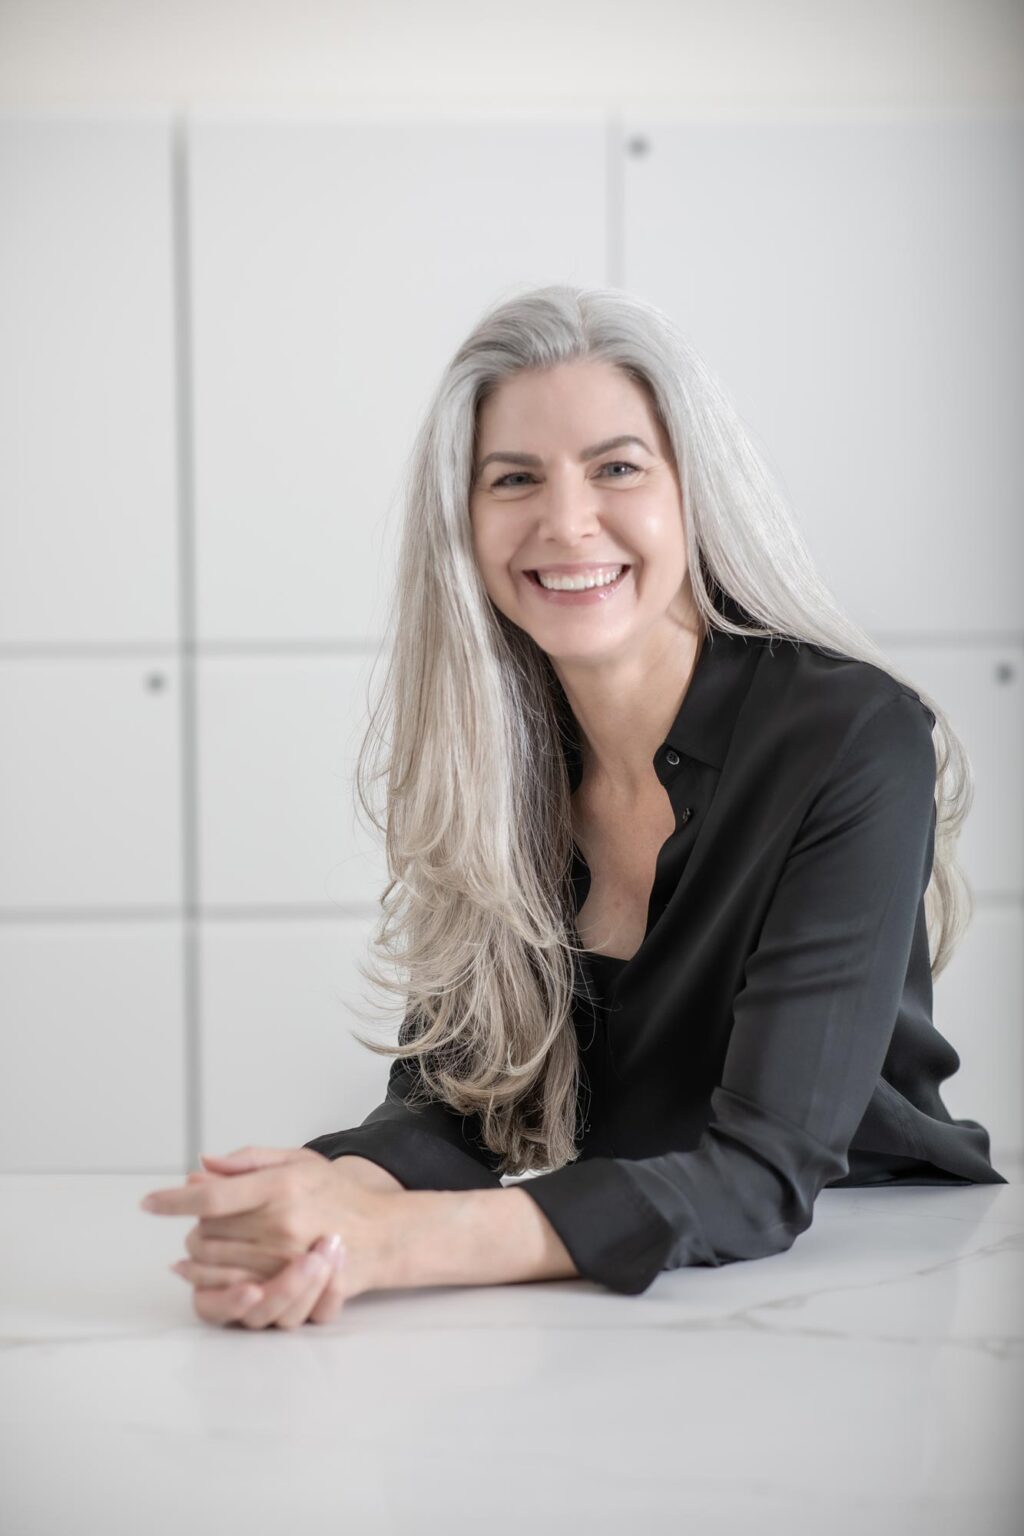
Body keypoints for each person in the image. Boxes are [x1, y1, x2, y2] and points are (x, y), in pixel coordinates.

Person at [141, 284, 1006, 1328]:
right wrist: (331, 1204)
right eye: (514, 478)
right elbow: (451, 1107)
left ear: (695, 490)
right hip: (632, 1292)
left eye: (617, 468)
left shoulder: (850, 735)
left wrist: (398, 1245)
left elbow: (765, 1169)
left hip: (866, 1282)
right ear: (463, 520)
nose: (565, 521)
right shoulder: (499, 756)